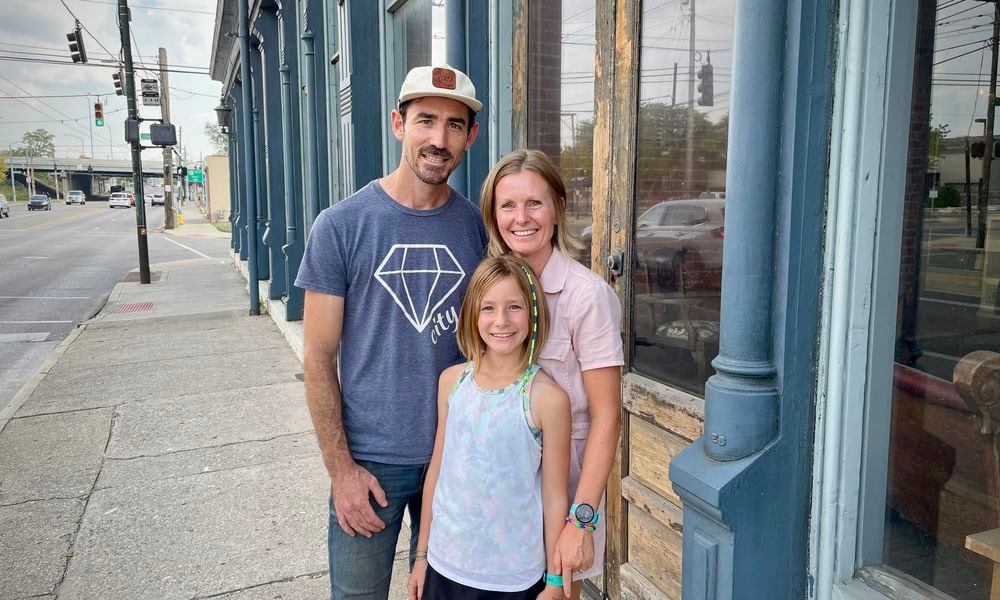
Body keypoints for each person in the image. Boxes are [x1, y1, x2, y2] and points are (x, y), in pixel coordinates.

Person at [294, 65, 487, 599]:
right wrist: (341, 471)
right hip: (370, 463)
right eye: (426, 120)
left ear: (470, 137)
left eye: (454, 125)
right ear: (399, 125)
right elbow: (317, 358)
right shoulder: (341, 225)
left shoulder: (476, 228)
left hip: (455, 458)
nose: (438, 139)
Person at [479, 149, 624, 599]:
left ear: (558, 209)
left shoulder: (588, 296)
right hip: (501, 481)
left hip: (563, 484)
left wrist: (581, 520)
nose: (521, 218)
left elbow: (607, 416)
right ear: (493, 215)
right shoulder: (488, 288)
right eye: (508, 205)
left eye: (534, 203)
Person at [407, 256, 571, 600]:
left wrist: (555, 582)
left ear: (534, 313)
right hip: (444, 564)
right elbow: (437, 471)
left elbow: (556, 497)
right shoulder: (451, 382)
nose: (501, 321)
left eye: (514, 307)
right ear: (472, 315)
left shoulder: (546, 399)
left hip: (512, 578)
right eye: (488, 308)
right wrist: (421, 557)